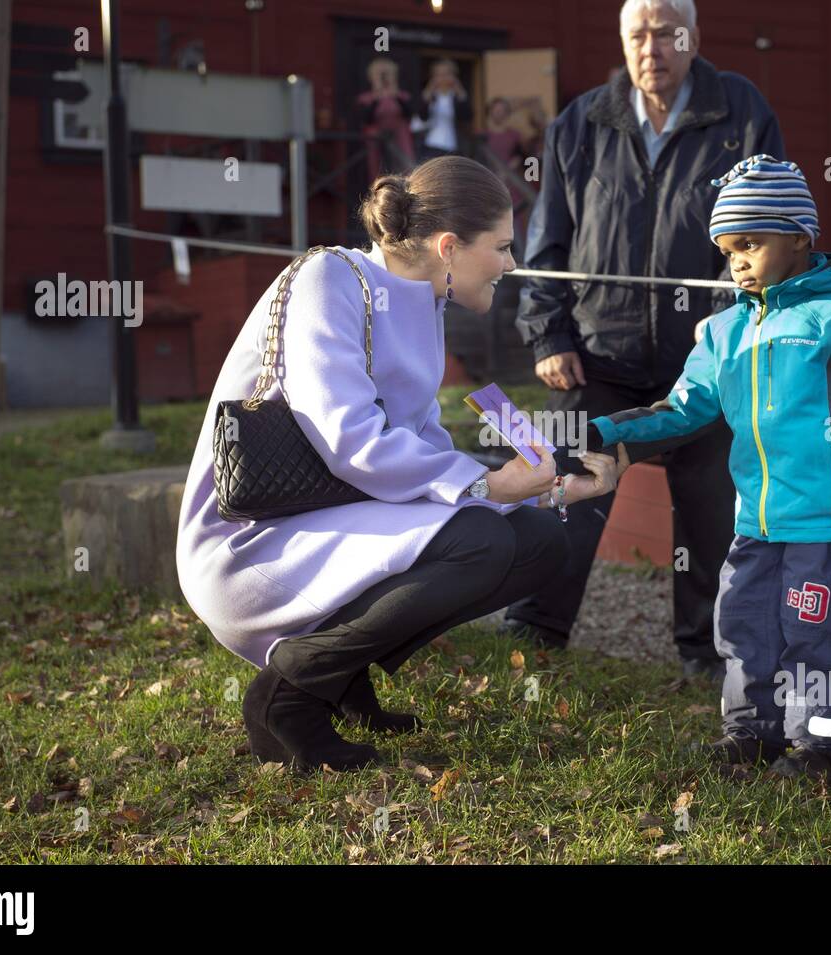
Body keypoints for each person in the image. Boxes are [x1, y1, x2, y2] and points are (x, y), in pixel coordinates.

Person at [175, 156, 626, 773]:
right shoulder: (328, 280)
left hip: (338, 522)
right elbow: (350, 437)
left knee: (541, 542)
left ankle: (341, 674)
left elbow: (425, 455)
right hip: (256, 542)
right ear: (448, 247)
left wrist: (553, 492)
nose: (511, 264)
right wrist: (487, 483)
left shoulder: (421, 303)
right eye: (500, 247)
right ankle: (290, 696)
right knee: (480, 542)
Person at [583, 156, 831, 782]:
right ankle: (750, 734)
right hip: (756, 517)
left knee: (820, 634)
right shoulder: (724, 331)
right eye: (728, 248)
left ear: (800, 239)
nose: (737, 260)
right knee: (743, 623)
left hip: (829, 518)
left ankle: (823, 748)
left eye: (751, 243)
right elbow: (679, 410)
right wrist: (598, 434)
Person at [504, 0, 787, 682]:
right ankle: (535, 630)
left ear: (693, 38)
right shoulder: (581, 122)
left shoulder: (741, 114)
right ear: (623, 42)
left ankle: (708, 655)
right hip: (595, 352)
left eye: (666, 32)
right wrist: (548, 332)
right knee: (567, 484)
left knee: (714, 510)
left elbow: (765, 232)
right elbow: (547, 245)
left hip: (705, 359)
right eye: (638, 33)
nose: (651, 47)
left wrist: (729, 320)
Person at [416, 59, 473, 160]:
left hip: (453, 145)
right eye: (439, 74)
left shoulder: (458, 97)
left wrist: (460, 93)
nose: (443, 78)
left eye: (446, 74)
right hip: (432, 144)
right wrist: (427, 95)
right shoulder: (430, 96)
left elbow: (467, 117)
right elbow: (422, 117)